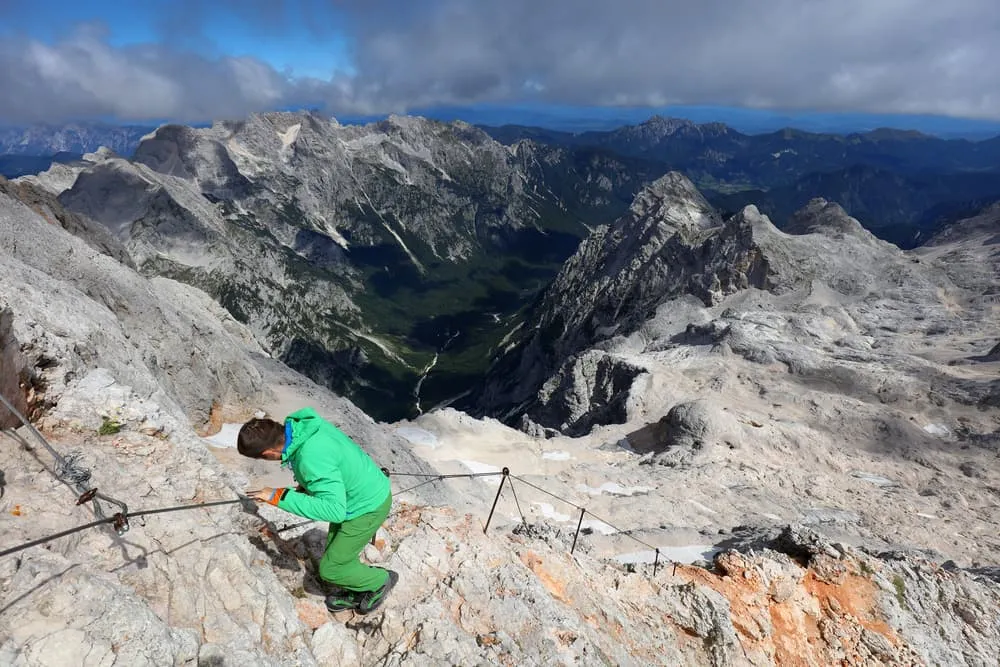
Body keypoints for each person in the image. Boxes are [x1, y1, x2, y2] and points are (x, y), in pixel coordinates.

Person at [238, 407, 397, 614]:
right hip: (363, 493)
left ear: (268, 453)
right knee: (333, 555)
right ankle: (357, 580)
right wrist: (307, 486)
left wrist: (278, 497)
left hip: (366, 508)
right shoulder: (304, 429)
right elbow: (331, 463)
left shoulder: (309, 458)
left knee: (331, 569)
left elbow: (334, 511)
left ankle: (379, 582)